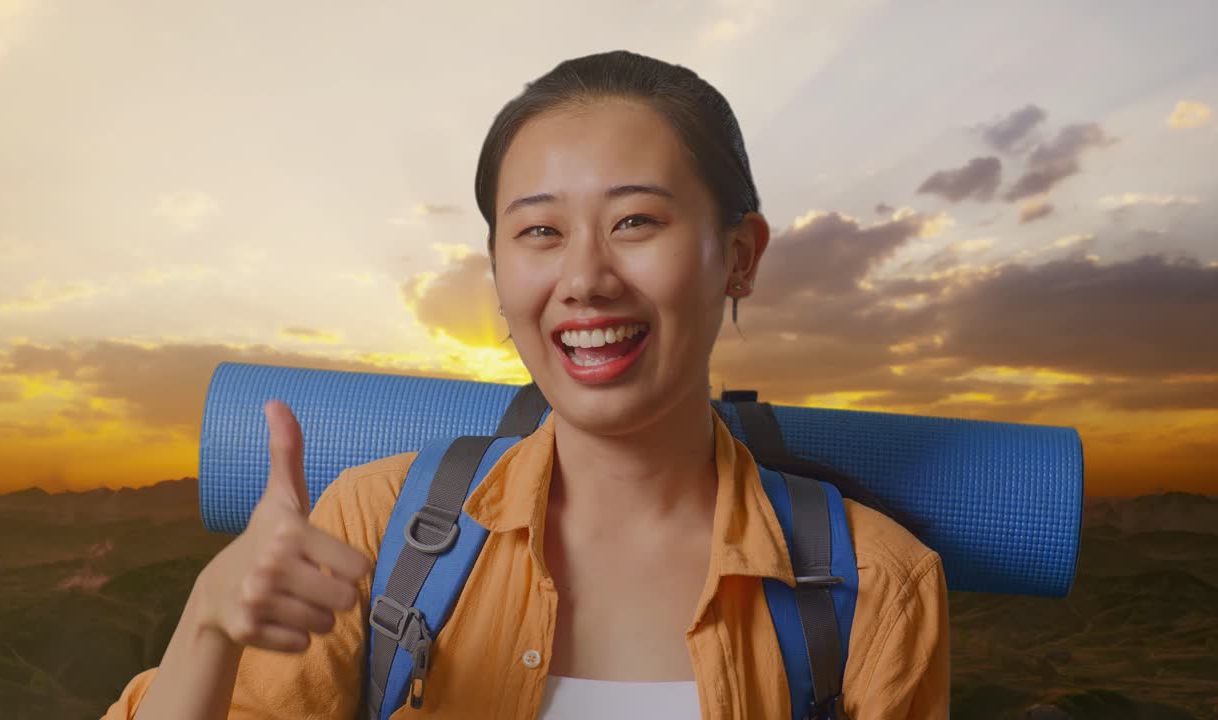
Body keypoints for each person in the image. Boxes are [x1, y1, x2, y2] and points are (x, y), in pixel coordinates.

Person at [105, 50, 949, 720]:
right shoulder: (375, 533)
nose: (583, 278)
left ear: (739, 257)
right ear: (500, 273)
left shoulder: (878, 589)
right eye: (540, 231)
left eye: (634, 222)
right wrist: (208, 623)